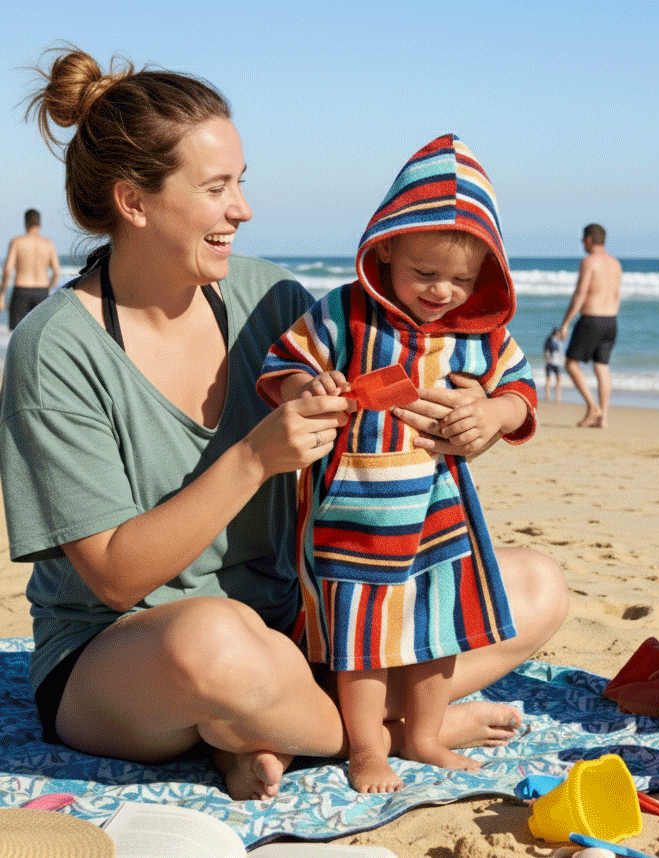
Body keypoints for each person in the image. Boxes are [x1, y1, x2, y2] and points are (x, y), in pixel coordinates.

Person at [0, 48, 568, 803]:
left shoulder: (274, 299)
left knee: (534, 586)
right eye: (217, 188)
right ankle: (391, 733)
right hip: (130, 656)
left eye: (242, 183)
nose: (243, 209)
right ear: (134, 202)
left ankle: (266, 732)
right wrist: (253, 458)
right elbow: (113, 577)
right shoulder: (56, 347)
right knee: (212, 645)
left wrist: (478, 414)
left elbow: (417, 368)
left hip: (301, 634)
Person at [257, 135, 538, 793]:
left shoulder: (477, 332)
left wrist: (494, 417)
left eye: (462, 279)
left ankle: (425, 735)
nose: (442, 291)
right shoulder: (343, 314)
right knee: (363, 641)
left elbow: (520, 392)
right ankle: (366, 751)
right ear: (385, 246)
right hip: (354, 514)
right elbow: (285, 366)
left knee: (438, 631)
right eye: (426, 273)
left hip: (441, 512)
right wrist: (310, 391)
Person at [559, 224, 622, 428]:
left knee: (570, 363)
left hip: (591, 319)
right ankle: (603, 417)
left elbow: (580, 294)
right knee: (602, 367)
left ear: (589, 240)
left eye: (582, 240)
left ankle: (593, 407)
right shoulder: (616, 264)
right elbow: (616, 295)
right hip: (611, 320)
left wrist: (566, 323)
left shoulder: (589, 262)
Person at [0, 208, 61, 330]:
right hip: (42, 291)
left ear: (25, 222)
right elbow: (57, 272)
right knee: (40, 332)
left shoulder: (17, 242)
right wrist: (49, 287)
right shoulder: (48, 244)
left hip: (22, 290)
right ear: (39, 223)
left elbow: (7, 270)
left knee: (16, 334)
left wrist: (2, 293)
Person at [543, 327, 564, 401]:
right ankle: (547, 395)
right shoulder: (550, 340)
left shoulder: (558, 341)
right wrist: (547, 360)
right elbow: (546, 351)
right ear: (557, 333)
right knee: (548, 378)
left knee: (558, 378)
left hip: (557, 363)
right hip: (550, 362)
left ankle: (558, 396)